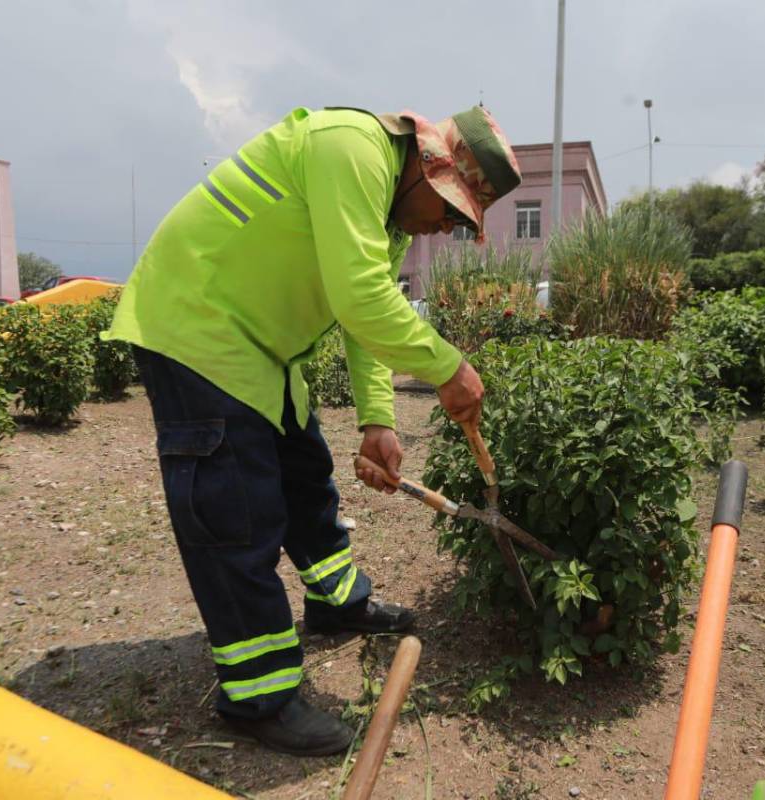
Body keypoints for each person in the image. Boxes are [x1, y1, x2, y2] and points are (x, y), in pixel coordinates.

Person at [106, 105, 521, 756]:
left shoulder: (390, 216)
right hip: (195, 327)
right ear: (427, 166)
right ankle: (257, 697)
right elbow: (362, 297)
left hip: (258, 349)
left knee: (304, 478)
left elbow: (364, 311)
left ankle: (337, 602)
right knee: (235, 513)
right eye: (448, 209)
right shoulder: (349, 149)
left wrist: (377, 419)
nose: (444, 226)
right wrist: (449, 368)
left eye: (459, 220)